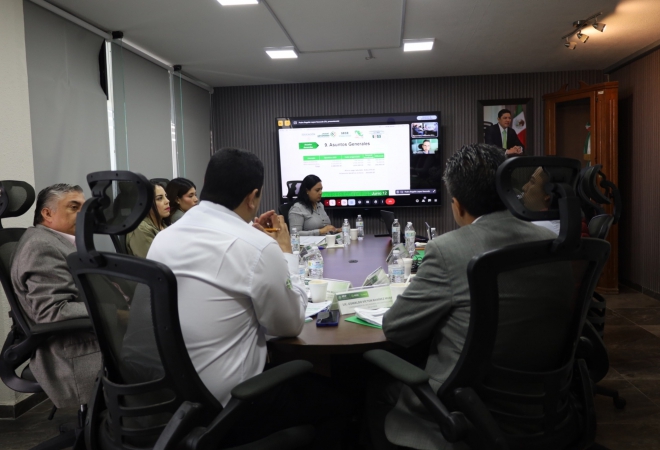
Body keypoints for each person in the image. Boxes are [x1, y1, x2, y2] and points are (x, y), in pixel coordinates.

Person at [369, 144, 573, 450]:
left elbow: (396, 329)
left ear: (457, 205)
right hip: (543, 401)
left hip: (468, 408)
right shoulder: (553, 242)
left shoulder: (447, 250)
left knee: (374, 388)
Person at [148, 148, 348, 446]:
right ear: (253, 196)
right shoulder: (257, 247)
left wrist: (251, 235)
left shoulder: (164, 237)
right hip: (231, 406)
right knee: (342, 401)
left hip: (173, 402)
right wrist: (284, 252)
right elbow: (290, 325)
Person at [10, 184, 101, 408]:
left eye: (84, 207)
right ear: (47, 213)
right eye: (74, 207)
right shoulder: (42, 246)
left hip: (85, 336)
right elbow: (54, 311)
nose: (82, 213)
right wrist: (113, 311)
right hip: (71, 351)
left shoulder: (58, 241)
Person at [126, 182, 170, 258]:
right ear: (145, 203)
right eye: (159, 198)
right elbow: (152, 261)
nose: (167, 201)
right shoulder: (140, 229)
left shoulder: (163, 223)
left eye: (166, 196)